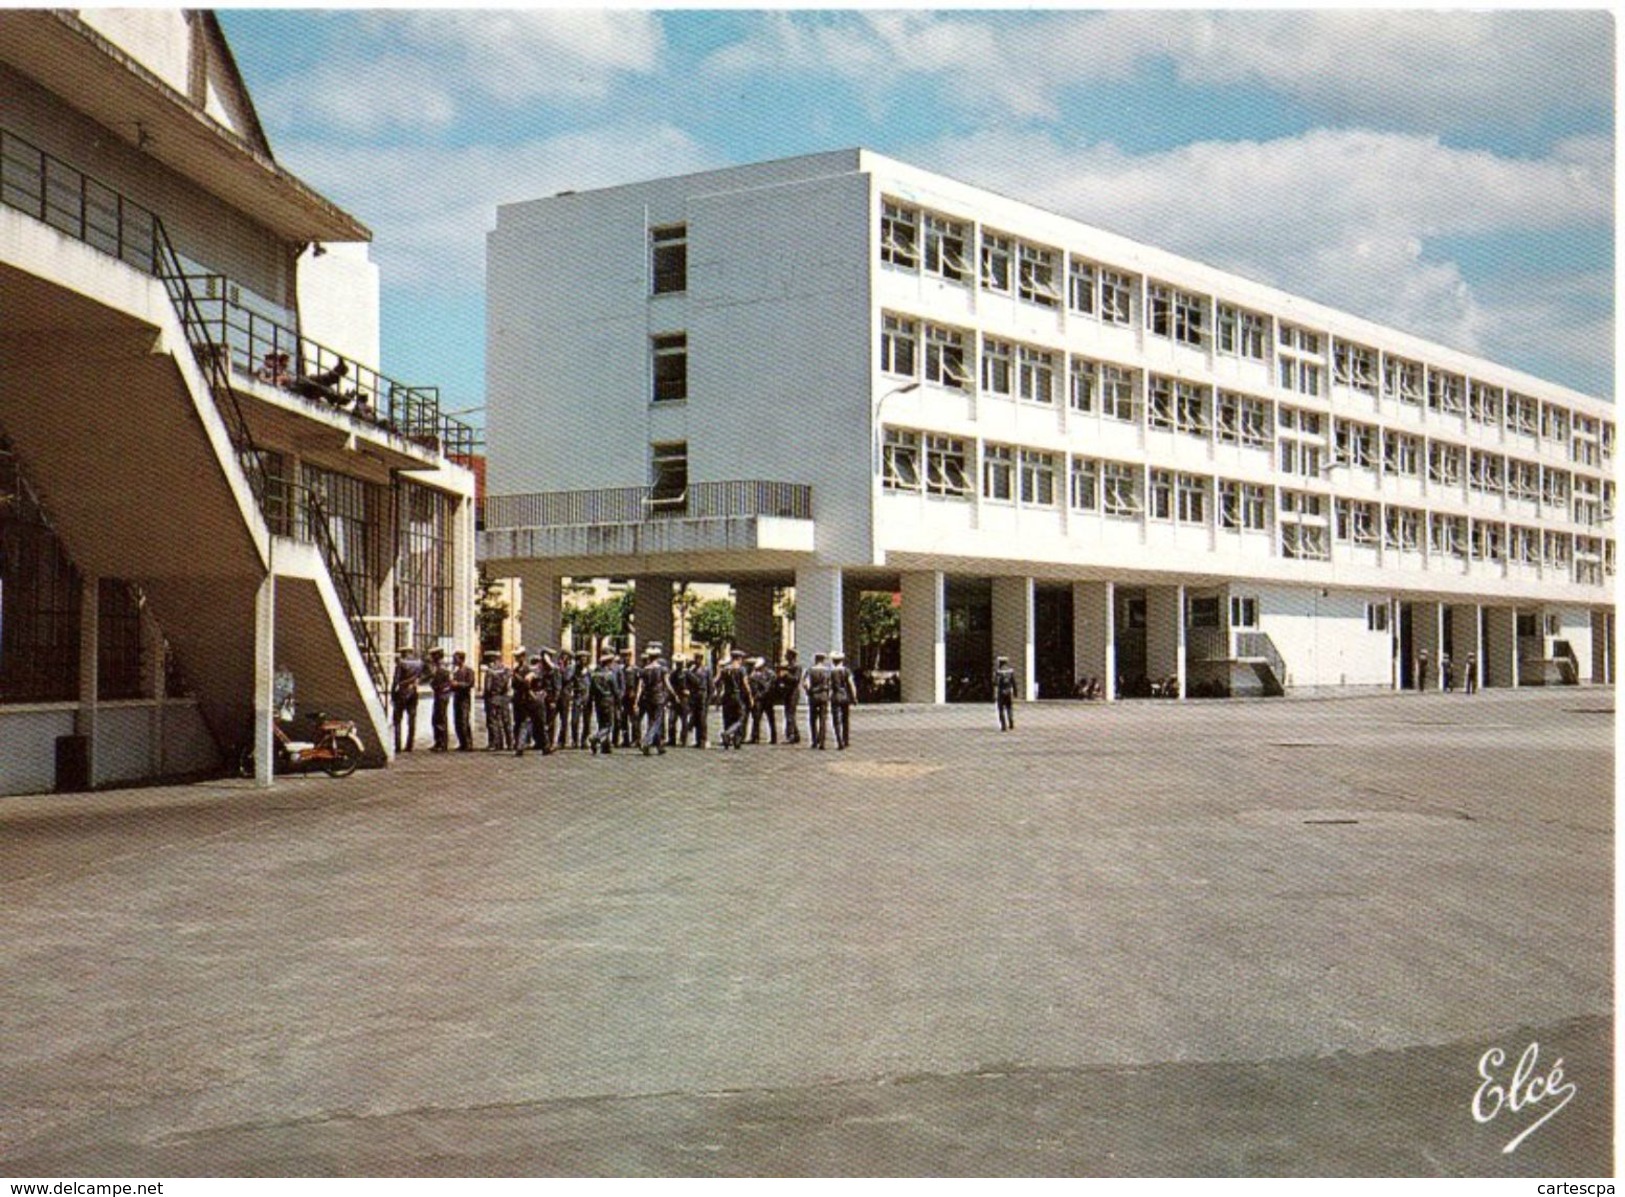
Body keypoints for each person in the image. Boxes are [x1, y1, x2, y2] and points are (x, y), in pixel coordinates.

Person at [635, 647, 675, 756]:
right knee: (657, 721)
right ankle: (647, 741)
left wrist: (636, 700)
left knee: (652, 720)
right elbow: (667, 683)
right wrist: (674, 694)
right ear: (658, 657)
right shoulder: (662, 669)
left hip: (647, 698)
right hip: (659, 698)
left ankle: (659, 746)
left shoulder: (644, 670)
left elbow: (640, 687)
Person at [717, 648, 753, 749]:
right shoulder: (741, 669)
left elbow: (719, 683)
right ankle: (728, 733)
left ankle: (730, 741)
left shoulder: (725, 669)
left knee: (728, 718)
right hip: (737, 696)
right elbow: (745, 684)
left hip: (726, 696)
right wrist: (750, 697)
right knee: (740, 718)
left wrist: (718, 696)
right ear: (739, 658)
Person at [391, 644, 423, 753]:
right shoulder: (419, 663)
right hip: (414, 692)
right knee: (412, 719)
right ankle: (410, 744)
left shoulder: (401, 664)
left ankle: (398, 745)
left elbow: (396, 680)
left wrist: (392, 693)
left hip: (402, 692)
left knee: (397, 719)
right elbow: (423, 676)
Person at [588, 652, 622, 755]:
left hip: (598, 702)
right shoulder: (610, 675)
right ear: (608, 663)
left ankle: (605, 746)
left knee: (601, 723)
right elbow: (615, 690)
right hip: (608, 700)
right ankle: (596, 737)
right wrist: (619, 703)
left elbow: (591, 691)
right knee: (608, 725)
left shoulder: (594, 675)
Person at [482, 651, 512, 751]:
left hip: (493, 698)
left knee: (493, 721)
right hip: (504, 698)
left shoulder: (490, 672)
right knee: (506, 721)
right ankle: (510, 743)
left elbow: (488, 687)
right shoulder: (507, 670)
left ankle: (495, 743)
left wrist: (486, 696)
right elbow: (509, 685)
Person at [803, 651, 833, 750]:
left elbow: (805, 684)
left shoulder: (810, 670)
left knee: (813, 719)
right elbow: (831, 684)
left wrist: (808, 692)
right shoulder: (828, 671)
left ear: (815, 659)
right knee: (823, 719)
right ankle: (822, 741)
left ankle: (814, 740)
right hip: (824, 696)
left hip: (813, 696)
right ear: (823, 660)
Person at [829, 650, 857, 750]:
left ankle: (839, 741)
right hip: (845, 696)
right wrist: (854, 697)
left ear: (833, 661)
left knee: (836, 720)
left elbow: (829, 686)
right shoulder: (846, 671)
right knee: (845, 719)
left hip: (835, 696)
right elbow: (851, 684)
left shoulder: (831, 672)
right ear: (842, 660)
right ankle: (846, 740)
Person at [426, 648, 452, 752]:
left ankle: (442, 743)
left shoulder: (441, 668)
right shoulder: (440, 667)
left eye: (433, 656)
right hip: (440, 694)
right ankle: (439, 742)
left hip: (441, 695)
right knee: (437, 718)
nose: (431, 658)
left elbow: (436, 682)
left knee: (440, 718)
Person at [450, 650, 476, 750]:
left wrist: (458, 684)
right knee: (457, 721)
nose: (454, 661)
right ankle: (462, 742)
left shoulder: (469, 671)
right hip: (457, 697)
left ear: (461, 659)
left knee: (464, 721)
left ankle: (468, 743)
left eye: (455, 659)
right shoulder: (455, 672)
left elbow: (470, 684)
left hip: (465, 698)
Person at [748, 657, 778, 744]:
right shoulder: (771, 674)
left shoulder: (756, 675)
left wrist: (758, 695)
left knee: (760, 718)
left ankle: (756, 737)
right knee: (761, 718)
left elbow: (757, 687)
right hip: (766, 698)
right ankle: (770, 737)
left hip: (761, 698)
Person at [685, 650, 712, 748]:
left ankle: (703, 739)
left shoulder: (706, 670)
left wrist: (709, 698)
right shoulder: (692, 670)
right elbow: (688, 683)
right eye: (696, 658)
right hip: (694, 696)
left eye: (698, 658)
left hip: (702, 695)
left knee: (702, 719)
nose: (696, 660)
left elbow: (709, 684)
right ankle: (698, 740)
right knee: (696, 718)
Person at [779, 650, 803, 744]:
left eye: (787, 655)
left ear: (791, 656)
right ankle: (796, 735)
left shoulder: (797, 666)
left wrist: (786, 675)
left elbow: (796, 679)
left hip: (793, 693)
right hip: (787, 692)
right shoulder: (787, 667)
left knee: (790, 714)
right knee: (788, 714)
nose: (785, 656)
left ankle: (791, 735)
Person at [570, 650, 593, 748]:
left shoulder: (590, 671)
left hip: (587, 697)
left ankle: (584, 740)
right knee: (574, 720)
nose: (583, 660)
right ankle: (575, 740)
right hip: (577, 697)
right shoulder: (574, 670)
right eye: (581, 658)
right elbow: (569, 682)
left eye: (585, 658)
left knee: (587, 721)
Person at [993, 654, 1018, 730]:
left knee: (1001, 709)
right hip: (1008, 691)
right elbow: (1013, 682)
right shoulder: (1010, 671)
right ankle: (1011, 723)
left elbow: (995, 683)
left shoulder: (998, 671)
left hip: (1001, 692)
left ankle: (1003, 726)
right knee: (1009, 708)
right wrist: (1015, 692)